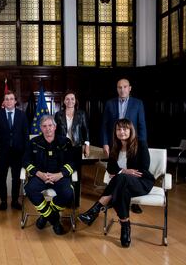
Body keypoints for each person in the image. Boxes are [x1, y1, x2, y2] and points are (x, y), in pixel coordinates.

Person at [79, 119, 154, 248]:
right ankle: (125, 226)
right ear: (115, 132)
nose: (122, 132)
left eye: (125, 129)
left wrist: (121, 173)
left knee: (120, 178)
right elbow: (110, 169)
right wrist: (123, 171)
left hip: (141, 182)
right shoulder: (115, 146)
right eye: (119, 129)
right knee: (122, 187)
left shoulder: (140, 144)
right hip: (123, 184)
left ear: (131, 130)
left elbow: (144, 168)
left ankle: (95, 209)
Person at [101, 78, 147, 214]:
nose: (122, 90)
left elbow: (141, 125)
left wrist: (142, 144)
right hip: (115, 143)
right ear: (117, 89)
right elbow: (104, 125)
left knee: (134, 171)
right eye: (119, 87)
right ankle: (117, 197)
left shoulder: (138, 103)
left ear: (130, 88)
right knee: (117, 169)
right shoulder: (110, 104)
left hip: (133, 143)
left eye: (125, 87)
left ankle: (133, 200)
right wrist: (105, 143)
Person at [23, 115, 75, 235]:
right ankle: (54, 219)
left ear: (55, 127)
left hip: (59, 176)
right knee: (29, 189)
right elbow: (26, 161)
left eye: (50, 126)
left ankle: (44, 216)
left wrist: (60, 174)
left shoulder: (65, 142)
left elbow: (72, 162)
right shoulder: (34, 142)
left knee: (68, 193)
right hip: (40, 176)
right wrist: (38, 173)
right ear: (41, 128)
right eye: (44, 126)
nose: (48, 129)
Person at [0, 90, 29, 211]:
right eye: (6, 99)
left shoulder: (22, 115)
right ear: (4, 101)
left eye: (11, 99)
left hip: (18, 152)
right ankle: (3, 201)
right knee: (1, 177)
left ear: (15, 101)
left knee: (16, 178)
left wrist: (26, 153)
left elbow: (25, 135)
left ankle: (14, 201)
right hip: (2, 152)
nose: (9, 101)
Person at [54, 90, 90, 207]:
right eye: (67, 99)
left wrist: (87, 146)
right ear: (64, 101)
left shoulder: (81, 114)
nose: (70, 101)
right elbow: (55, 133)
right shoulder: (58, 114)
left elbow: (86, 131)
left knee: (76, 174)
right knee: (64, 173)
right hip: (62, 148)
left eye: (72, 99)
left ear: (75, 101)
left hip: (76, 147)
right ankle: (65, 199)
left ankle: (75, 202)